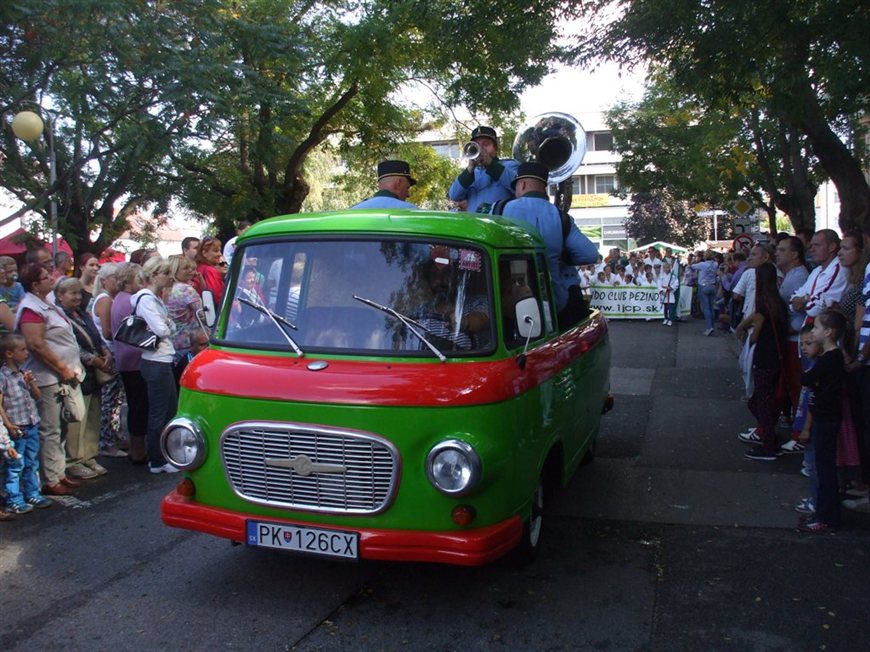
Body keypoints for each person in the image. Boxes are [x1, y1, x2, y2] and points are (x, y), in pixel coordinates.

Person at [496, 162, 598, 329]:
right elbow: (590, 254)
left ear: (521, 184)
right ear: (544, 188)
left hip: (509, 306)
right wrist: (560, 254)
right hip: (554, 305)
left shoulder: (499, 209)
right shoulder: (561, 217)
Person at [15, 264, 83, 496]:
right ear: (35, 284)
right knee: (50, 428)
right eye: (46, 277)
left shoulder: (44, 303)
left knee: (61, 427)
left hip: (59, 375)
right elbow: (36, 345)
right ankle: (50, 478)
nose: (51, 279)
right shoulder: (30, 308)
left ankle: (59, 472)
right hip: (47, 378)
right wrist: (61, 367)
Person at [55, 277, 111, 480]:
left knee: (93, 415)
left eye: (79, 293)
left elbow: (96, 336)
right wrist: (95, 360)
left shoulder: (82, 313)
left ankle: (89, 456)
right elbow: (72, 346)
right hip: (77, 371)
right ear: (60, 296)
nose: (77, 297)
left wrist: (105, 353)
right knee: (78, 418)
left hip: (94, 372)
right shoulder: (60, 316)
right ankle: (74, 461)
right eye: (72, 293)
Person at [797, 309, 847, 533]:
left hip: (826, 418)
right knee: (823, 466)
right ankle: (825, 512)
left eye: (816, 328)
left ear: (828, 332)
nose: (813, 331)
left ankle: (828, 516)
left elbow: (807, 378)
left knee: (824, 468)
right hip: (826, 416)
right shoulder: (833, 358)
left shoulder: (829, 359)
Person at [131, 257, 180, 475]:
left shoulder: (152, 299)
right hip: (156, 360)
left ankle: (163, 455)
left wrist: (168, 326)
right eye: (165, 273)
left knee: (169, 408)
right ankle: (158, 459)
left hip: (162, 358)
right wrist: (168, 325)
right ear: (153, 276)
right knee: (159, 412)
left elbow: (170, 326)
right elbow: (163, 329)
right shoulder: (146, 300)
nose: (170, 277)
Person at [736, 263, 789, 461]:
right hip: (777, 356)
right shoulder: (778, 303)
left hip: (764, 358)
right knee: (765, 400)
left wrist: (746, 330)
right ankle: (769, 435)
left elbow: (756, 335)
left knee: (759, 401)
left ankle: (768, 441)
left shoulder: (764, 305)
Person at [0, 334, 52, 514]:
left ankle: (31, 492)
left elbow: (37, 397)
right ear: (9, 354)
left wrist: (32, 384)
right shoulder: (3, 377)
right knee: (15, 464)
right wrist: (8, 425)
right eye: (22, 350)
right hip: (17, 426)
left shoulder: (24, 374)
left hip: (31, 423)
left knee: (31, 461)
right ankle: (13, 498)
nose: (26, 353)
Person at [110, 263, 148, 464]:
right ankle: (138, 449)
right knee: (138, 405)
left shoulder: (120, 299)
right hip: (134, 359)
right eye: (138, 279)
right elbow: (137, 332)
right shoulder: (127, 301)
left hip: (127, 358)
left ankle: (137, 447)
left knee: (136, 404)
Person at [776, 236, 810, 454]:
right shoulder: (791, 275)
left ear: (794, 254)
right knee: (790, 386)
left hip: (796, 341)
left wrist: (792, 329)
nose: (777, 253)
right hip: (790, 339)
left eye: (781, 249)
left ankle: (800, 435)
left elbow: (803, 310)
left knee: (798, 388)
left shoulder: (798, 277)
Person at [89, 263, 127, 458]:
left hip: (111, 354)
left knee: (115, 399)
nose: (118, 282)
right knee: (110, 400)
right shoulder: (105, 300)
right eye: (114, 278)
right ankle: (107, 442)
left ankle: (113, 436)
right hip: (110, 355)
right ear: (104, 281)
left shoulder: (104, 299)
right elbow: (107, 331)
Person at [448, 126, 519, 214]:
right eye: (476, 145)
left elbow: (517, 187)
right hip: (475, 225)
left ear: (495, 148)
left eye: (485, 144)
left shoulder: (509, 165)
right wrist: (470, 168)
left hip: (499, 224)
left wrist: (490, 164)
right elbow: (454, 195)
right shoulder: (471, 172)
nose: (481, 149)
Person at [790, 229, 848, 327]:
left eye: (817, 245)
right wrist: (806, 299)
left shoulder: (839, 269)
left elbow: (814, 309)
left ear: (831, 247)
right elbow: (792, 302)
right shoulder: (816, 271)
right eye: (811, 245)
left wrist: (803, 300)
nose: (811, 249)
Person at [166, 254, 206, 384]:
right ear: (175, 270)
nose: (191, 271)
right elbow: (203, 315)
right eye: (185, 268)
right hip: (187, 341)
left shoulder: (166, 289)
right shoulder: (186, 290)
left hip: (171, 340)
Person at [351, 160, 418, 209]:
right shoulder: (411, 211)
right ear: (398, 183)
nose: (408, 195)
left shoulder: (353, 211)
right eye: (407, 188)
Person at [691, 250, 719, 336]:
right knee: (711, 308)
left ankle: (709, 327)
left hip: (703, 286)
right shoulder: (715, 264)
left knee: (706, 308)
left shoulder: (702, 265)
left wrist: (694, 260)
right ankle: (712, 326)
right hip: (712, 286)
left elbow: (692, 266)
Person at [192, 235, 225, 300]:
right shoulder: (209, 270)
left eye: (219, 251)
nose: (220, 254)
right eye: (216, 251)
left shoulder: (198, 267)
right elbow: (217, 297)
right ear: (204, 253)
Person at [659, 261, 679, 326]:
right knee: (665, 307)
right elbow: (658, 284)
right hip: (664, 292)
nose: (666, 269)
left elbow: (676, 283)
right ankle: (666, 318)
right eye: (664, 268)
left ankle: (670, 319)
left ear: (669, 268)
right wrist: (661, 291)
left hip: (670, 292)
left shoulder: (673, 276)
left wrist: (671, 287)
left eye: (667, 267)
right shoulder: (661, 276)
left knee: (671, 307)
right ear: (663, 268)